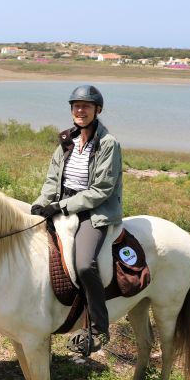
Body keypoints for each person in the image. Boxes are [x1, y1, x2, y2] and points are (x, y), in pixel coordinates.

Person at [31, 85, 123, 356]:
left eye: (86, 106)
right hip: (63, 205)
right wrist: (42, 202)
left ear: (98, 110)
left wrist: (61, 205)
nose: (80, 111)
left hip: (93, 211)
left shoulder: (108, 144)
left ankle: (98, 327)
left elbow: (101, 190)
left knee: (84, 264)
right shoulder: (67, 141)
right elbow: (52, 179)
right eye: (76, 106)